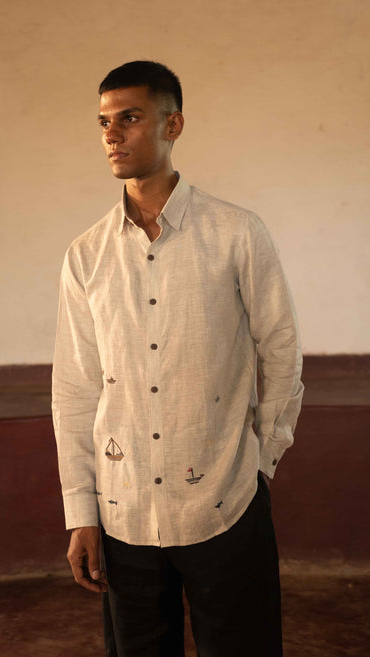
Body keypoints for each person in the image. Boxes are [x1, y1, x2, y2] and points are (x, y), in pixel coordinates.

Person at [52, 60, 304, 657]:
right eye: (104, 122)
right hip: (124, 512)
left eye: (130, 118)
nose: (112, 134)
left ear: (174, 124)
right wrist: (80, 510)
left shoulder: (238, 234)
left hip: (226, 498)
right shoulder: (85, 256)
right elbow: (77, 389)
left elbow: (282, 352)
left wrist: (261, 461)